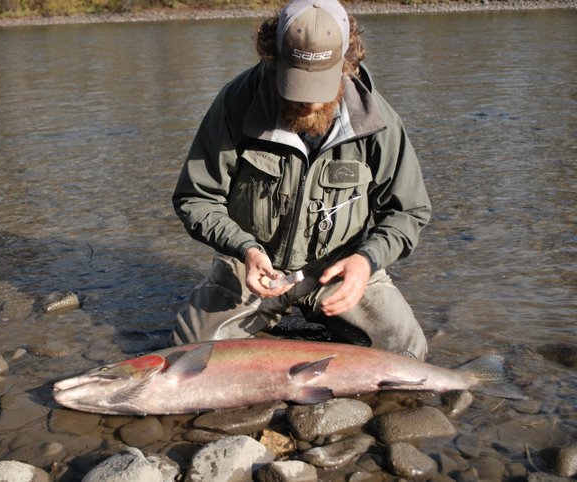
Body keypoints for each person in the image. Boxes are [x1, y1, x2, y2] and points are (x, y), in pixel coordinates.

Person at [170, 0, 432, 360]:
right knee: (190, 356)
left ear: (348, 62)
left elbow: (409, 212)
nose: (308, 102)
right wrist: (244, 249)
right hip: (254, 265)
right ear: (273, 58)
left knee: (405, 355)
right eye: (296, 83)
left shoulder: (377, 121)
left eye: (320, 85)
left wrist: (366, 262)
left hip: (338, 264)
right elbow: (196, 198)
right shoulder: (237, 104)